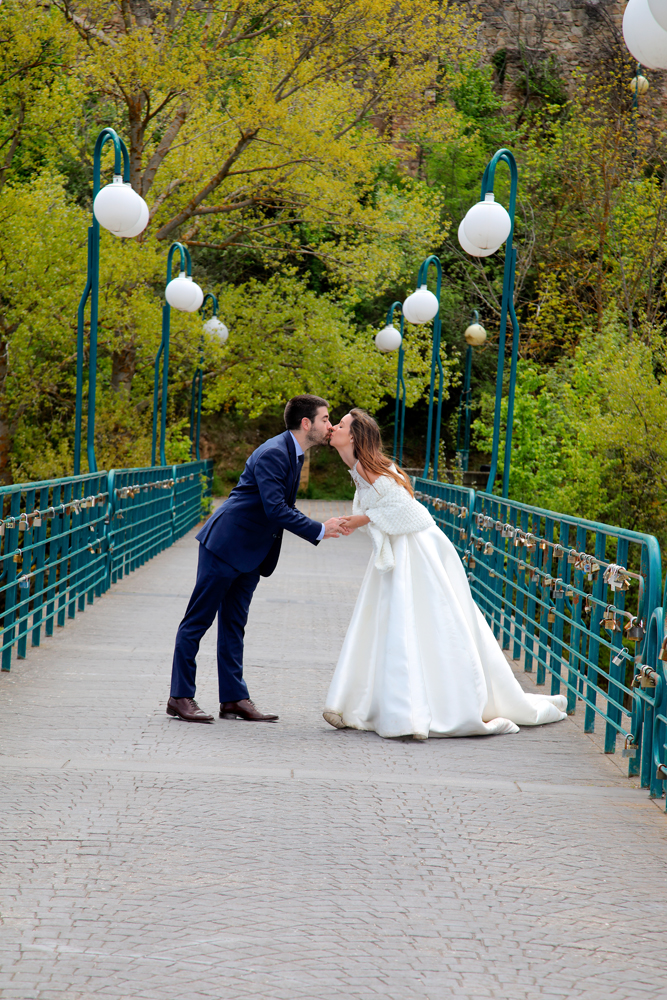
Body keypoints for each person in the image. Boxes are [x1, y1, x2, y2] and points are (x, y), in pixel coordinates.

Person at [322, 408, 567, 740]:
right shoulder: (359, 466)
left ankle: (421, 705)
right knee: (395, 619)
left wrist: (359, 521)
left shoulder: (366, 466)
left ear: (353, 436)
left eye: (340, 424)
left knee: (420, 617)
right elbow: (382, 505)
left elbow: (401, 506)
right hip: (407, 545)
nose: (333, 428)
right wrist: (360, 520)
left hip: (416, 547)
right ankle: (389, 701)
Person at [167, 394, 342, 724]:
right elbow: (276, 509)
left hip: (250, 552)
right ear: (307, 424)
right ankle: (179, 696)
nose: (329, 425)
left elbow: (277, 509)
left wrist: (317, 528)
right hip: (225, 546)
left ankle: (233, 698)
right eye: (325, 419)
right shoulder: (275, 453)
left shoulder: (294, 453)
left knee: (234, 626)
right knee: (197, 622)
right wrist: (319, 529)